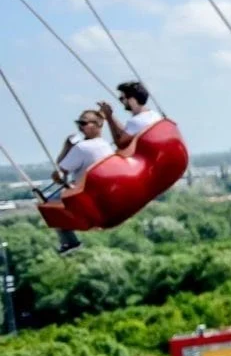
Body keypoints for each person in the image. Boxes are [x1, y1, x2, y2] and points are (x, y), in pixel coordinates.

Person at [46, 108, 116, 254]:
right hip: (103, 197)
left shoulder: (81, 147)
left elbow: (59, 173)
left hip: (85, 198)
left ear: (97, 125)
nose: (80, 127)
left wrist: (67, 147)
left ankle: (69, 241)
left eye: (83, 123)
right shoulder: (106, 147)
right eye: (79, 124)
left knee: (47, 203)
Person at [99, 81, 163, 149]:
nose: (122, 101)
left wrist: (109, 117)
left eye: (122, 98)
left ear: (132, 99)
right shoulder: (156, 115)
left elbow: (120, 144)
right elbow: (127, 132)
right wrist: (110, 115)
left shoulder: (136, 121)